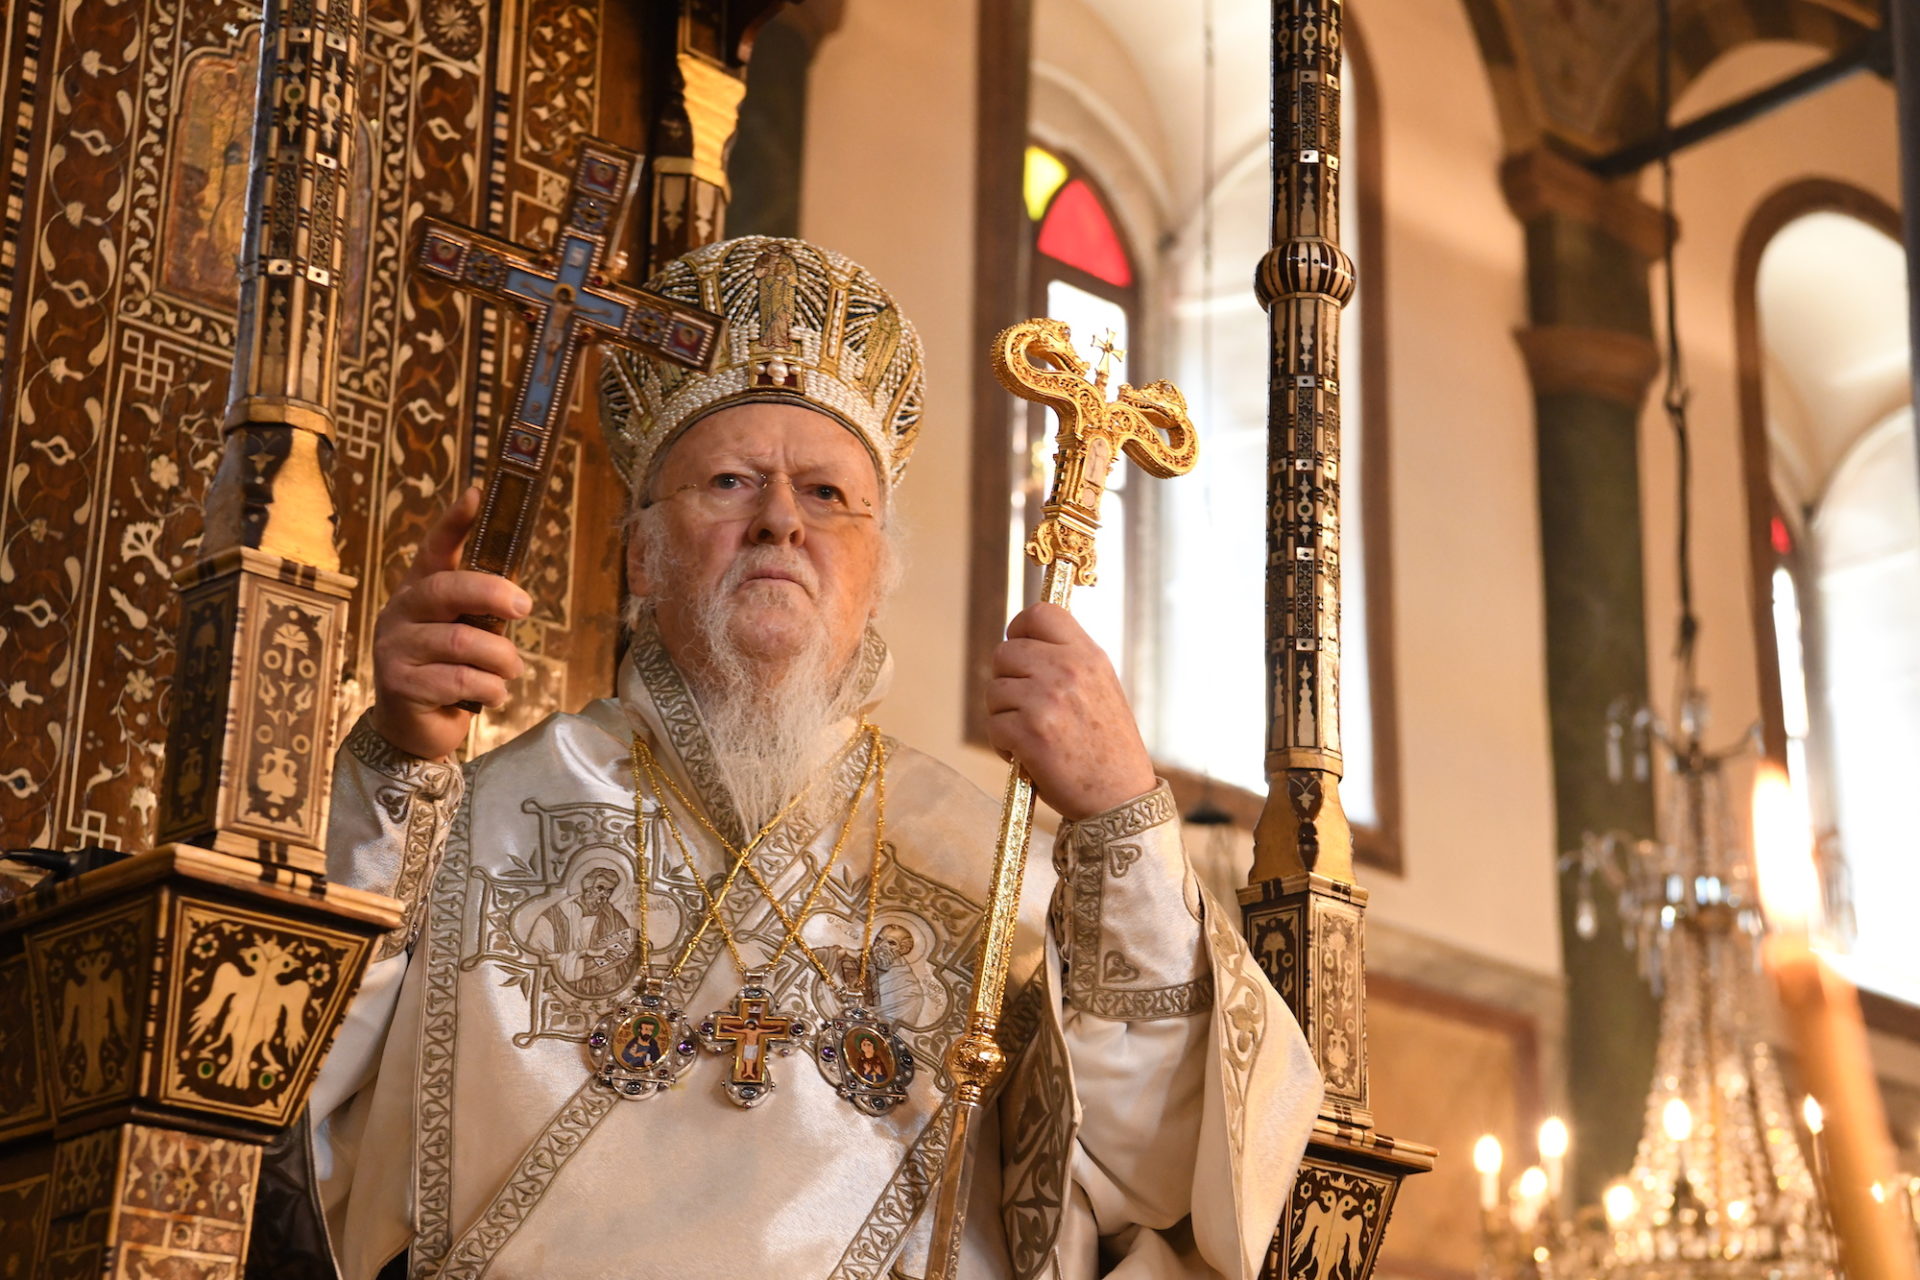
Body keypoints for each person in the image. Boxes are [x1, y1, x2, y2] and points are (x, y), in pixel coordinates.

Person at [308, 236, 1319, 1280]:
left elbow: (1158, 1170)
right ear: (643, 553)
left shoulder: (990, 866)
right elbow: (292, 1075)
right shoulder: (467, 817)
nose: (782, 520)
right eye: (730, 481)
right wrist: (395, 762)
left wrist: (1122, 818)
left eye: (829, 495)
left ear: (878, 572)